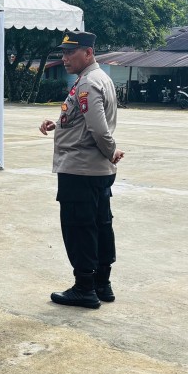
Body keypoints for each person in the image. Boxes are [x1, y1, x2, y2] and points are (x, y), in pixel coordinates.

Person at [38, 30, 125, 310]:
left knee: (79, 228)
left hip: (81, 169)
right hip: (94, 170)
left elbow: (98, 128)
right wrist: (60, 123)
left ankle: (84, 287)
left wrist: (111, 151)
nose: (64, 58)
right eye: (63, 53)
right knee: (100, 225)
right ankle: (102, 283)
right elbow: (85, 119)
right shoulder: (99, 79)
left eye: (70, 52)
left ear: (88, 52)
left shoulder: (88, 83)